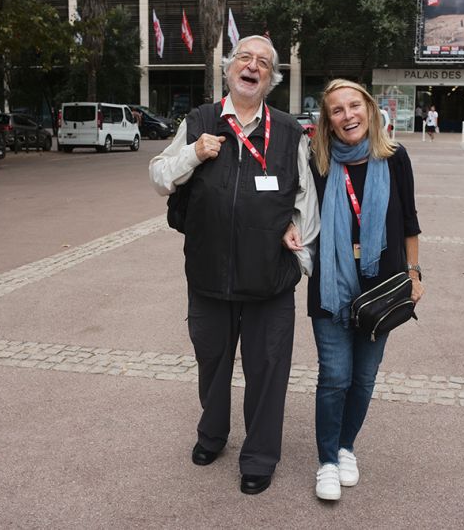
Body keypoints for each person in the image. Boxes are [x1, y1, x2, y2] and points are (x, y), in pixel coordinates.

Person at [149, 35, 320, 496]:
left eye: (263, 62)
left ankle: (260, 456)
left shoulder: (288, 132)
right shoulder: (201, 121)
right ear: (228, 70)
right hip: (208, 278)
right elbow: (160, 177)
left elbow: (307, 203)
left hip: (269, 282)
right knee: (212, 364)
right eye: (244, 58)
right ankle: (213, 434)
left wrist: (297, 254)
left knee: (267, 370)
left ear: (272, 79)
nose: (252, 66)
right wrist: (194, 152)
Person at [302, 79, 423, 501]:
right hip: (331, 284)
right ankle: (327, 462)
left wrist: (414, 271)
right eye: (337, 110)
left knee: (365, 378)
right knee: (335, 377)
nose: (348, 115)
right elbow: (296, 210)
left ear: (370, 110)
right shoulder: (316, 161)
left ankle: (346, 446)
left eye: (354, 106)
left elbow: (409, 220)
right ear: (328, 121)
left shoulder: (394, 158)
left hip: (383, 285)